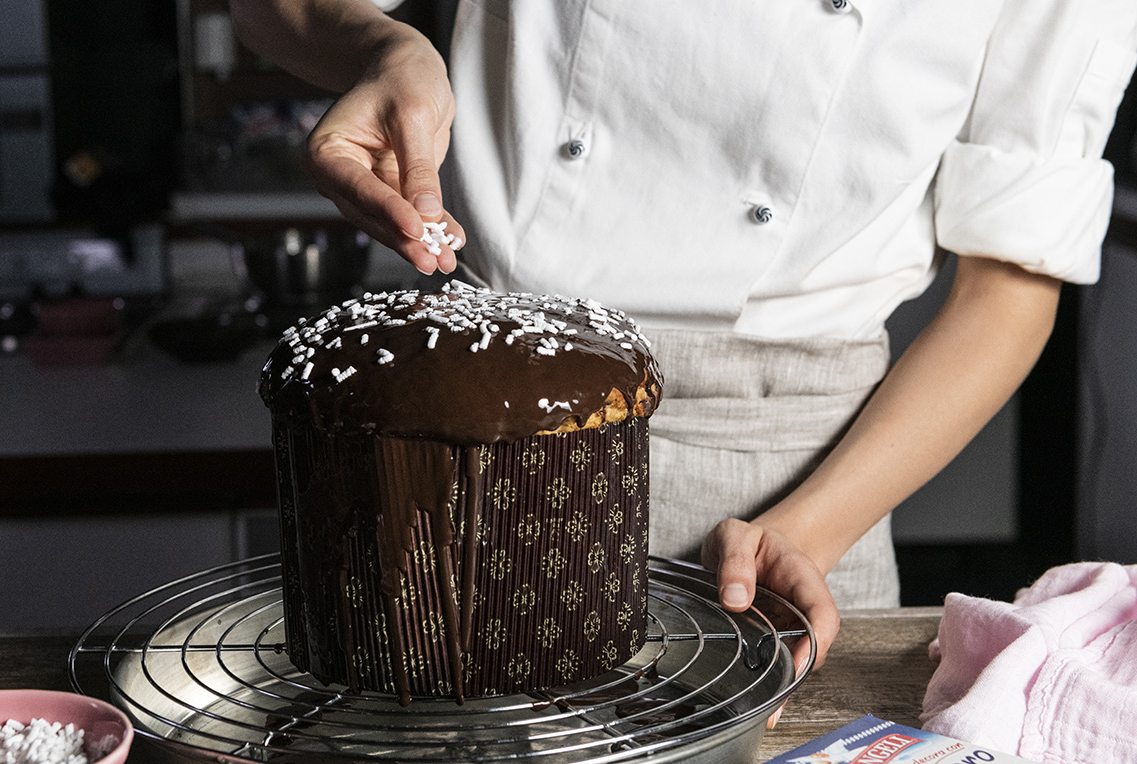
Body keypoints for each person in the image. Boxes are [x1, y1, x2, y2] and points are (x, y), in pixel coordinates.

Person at [227, 0, 1137, 674]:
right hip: (466, 436)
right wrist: (389, 45)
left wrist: (807, 533)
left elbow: (1009, 290)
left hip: (794, 496)